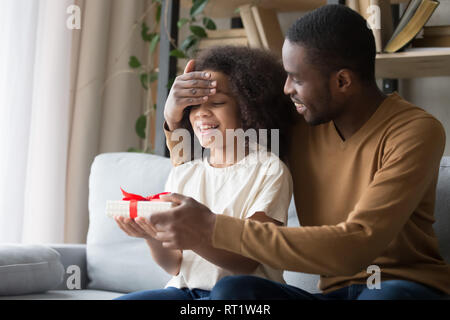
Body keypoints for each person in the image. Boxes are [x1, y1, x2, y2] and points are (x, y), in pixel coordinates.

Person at [152, 5, 450, 300]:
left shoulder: (415, 131)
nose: (285, 89)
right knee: (236, 291)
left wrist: (212, 228)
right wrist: (174, 118)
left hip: (400, 286)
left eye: (297, 78)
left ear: (342, 81)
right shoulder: (301, 121)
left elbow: (358, 244)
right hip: (331, 294)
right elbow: (219, 158)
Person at [113, 46, 296, 300]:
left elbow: (247, 261)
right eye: (194, 105)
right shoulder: (185, 172)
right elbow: (175, 265)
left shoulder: (268, 170)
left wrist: (196, 236)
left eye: (217, 103)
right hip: (185, 292)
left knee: (226, 295)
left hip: (241, 294)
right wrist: (150, 235)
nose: (201, 114)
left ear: (248, 108)